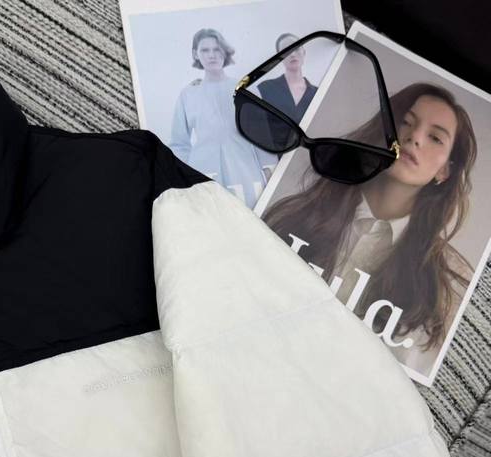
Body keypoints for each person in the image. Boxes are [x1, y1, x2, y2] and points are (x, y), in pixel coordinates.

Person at [261, 82, 477, 374]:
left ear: (445, 170)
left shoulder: (447, 281)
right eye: (405, 122)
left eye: (435, 138)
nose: (414, 138)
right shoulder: (297, 213)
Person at [169, 28, 274, 208]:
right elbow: (179, 143)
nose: (212, 55)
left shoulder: (246, 90)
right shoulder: (188, 94)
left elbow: (262, 136)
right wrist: (187, 176)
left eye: (217, 49)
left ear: (224, 51)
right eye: (205, 50)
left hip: (245, 171)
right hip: (204, 175)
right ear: (195, 54)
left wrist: (269, 172)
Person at [257, 33, 318, 124]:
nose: (292, 54)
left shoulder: (317, 93)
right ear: (279, 58)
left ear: (304, 52)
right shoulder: (265, 88)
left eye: (296, 48)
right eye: (286, 50)